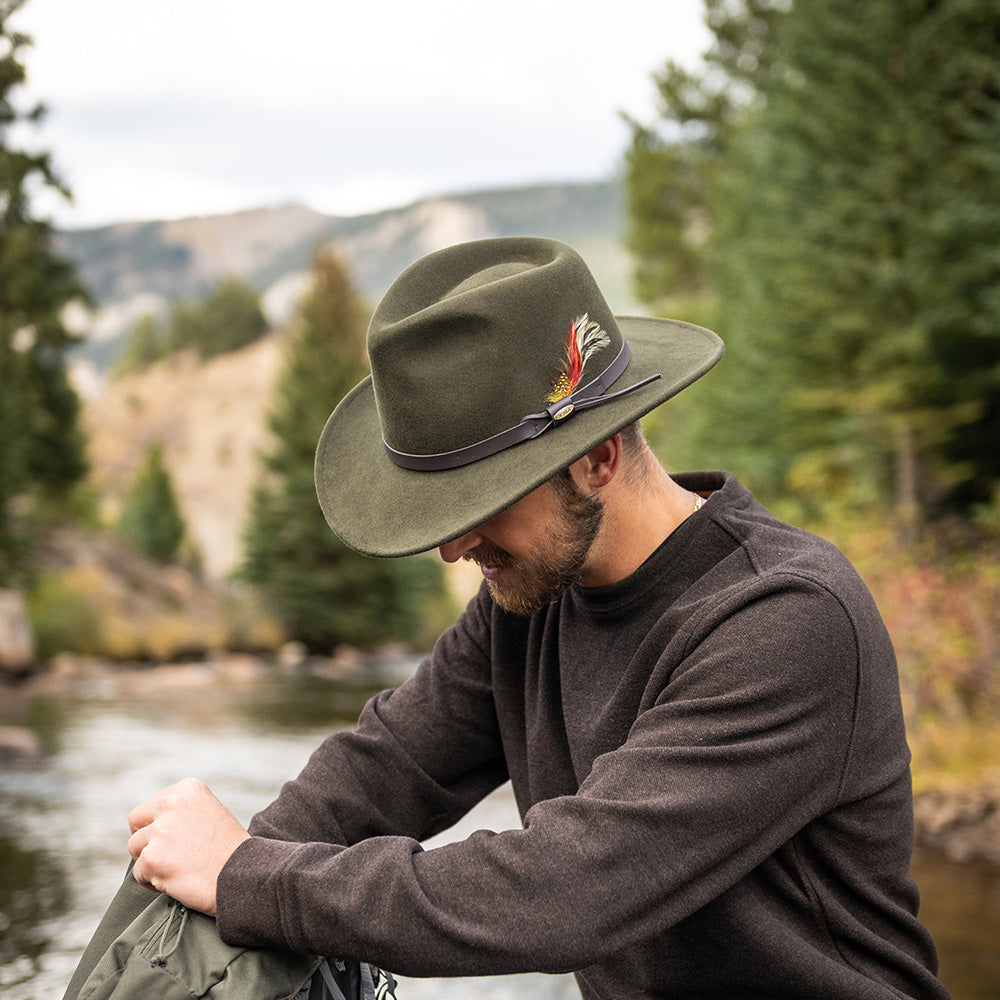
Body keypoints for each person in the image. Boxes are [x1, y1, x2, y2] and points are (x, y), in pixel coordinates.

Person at [126, 237, 950, 999]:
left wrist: (249, 876)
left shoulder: (785, 620)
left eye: (481, 501)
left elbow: (565, 888)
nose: (452, 546)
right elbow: (386, 768)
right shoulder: (526, 600)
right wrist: (199, 878)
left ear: (597, 457)